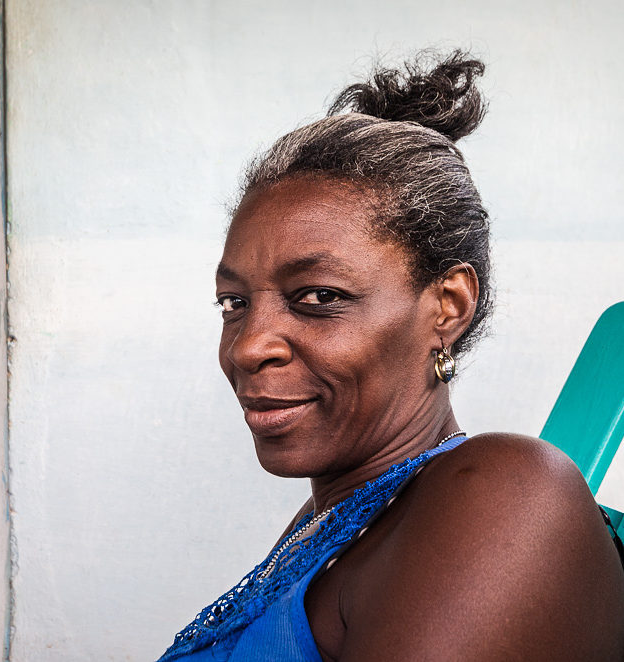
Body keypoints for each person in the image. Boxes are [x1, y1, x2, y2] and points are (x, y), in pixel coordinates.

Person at [158, 50, 624, 661]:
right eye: (234, 302)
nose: (247, 347)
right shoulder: (329, 526)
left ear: (447, 308)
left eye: (319, 297)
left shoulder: (508, 495)